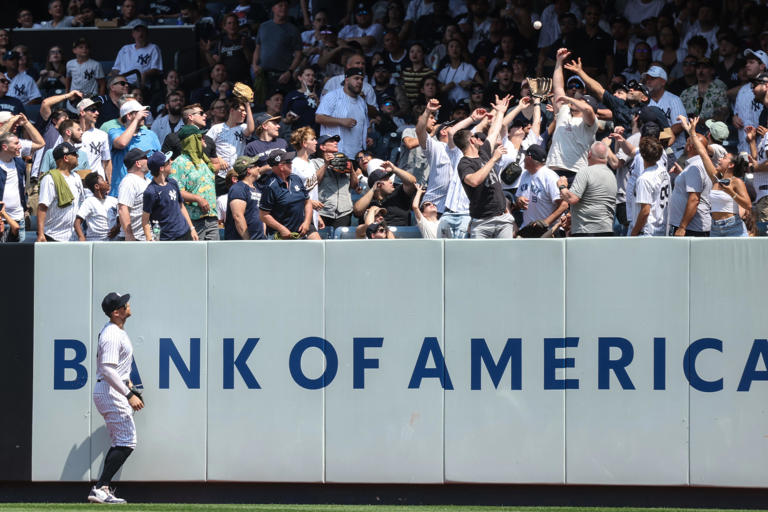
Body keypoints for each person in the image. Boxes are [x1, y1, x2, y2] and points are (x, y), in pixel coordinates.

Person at [89, 291, 143, 505]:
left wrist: (128, 385)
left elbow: (116, 369)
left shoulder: (116, 331)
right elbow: (107, 369)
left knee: (123, 440)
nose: (127, 305)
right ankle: (100, 488)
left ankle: (102, 488)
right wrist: (128, 394)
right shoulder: (112, 334)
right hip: (110, 391)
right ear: (116, 312)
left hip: (111, 389)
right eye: (123, 304)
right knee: (126, 441)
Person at [453, 94, 516, 238]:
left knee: (507, 252)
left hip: (502, 218)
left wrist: (500, 112)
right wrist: (493, 159)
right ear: (472, 140)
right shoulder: (464, 163)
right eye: (475, 136)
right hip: (482, 222)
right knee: (479, 254)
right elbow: (474, 181)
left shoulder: (484, 152)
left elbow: (494, 131)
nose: (479, 138)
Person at [682, 116, 751, 237]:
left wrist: (731, 192)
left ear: (731, 165)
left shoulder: (736, 182)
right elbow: (703, 154)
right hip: (715, 228)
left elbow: (748, 205)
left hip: (734, 227)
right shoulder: (716, 179)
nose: (719, 159)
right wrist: (692, 132)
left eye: (724, 158)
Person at [547, 48, 597, 180]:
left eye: (580, 100)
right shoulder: (564, 111)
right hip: (552, 169)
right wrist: (559, 62)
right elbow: (558, 87)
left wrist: (570, 99)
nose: (575, 100)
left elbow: (588, 110)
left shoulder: (590, 122)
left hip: (575, 172)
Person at [556, 141, 617, 236]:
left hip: (586, 232)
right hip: (607, 231)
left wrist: (562, 186)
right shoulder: (611, 175)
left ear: (589, 154)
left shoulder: (585, 171)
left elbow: (572, 199)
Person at [170, 125, 219, 240]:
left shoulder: (203, 160)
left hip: (211, 218)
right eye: (200, 137)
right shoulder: (179, 163)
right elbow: (175, 191)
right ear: (192, 141)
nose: (204, 139)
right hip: (193, 221)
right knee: (196, 251)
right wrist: (197, 199)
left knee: (215, 251)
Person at [259, 149, 321, 239]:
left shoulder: (296, 178)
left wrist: (307, 222)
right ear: (281, 166)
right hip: (281, 236)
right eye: (288, 162)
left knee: (317, 244)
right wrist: (281, 229)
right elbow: (264, 215)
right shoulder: (270, 186)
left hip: (301, 231)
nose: (291, 163)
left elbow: (307, 202)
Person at [108, 99, 161, 196]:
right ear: (128, 116)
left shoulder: (151, 135)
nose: (144, 115)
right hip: (122, 193)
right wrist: (136, 120)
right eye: (139, 113)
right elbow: (122, 143)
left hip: (148, 193)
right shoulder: (115, 132)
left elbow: (159, 161)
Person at [142, 151, 198, 241]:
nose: (171, 162)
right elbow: (145, 220)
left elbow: (181, 206)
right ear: (161, 168)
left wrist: (192, 228)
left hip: (185, 233)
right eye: (168, 162)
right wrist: (149, 239)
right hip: (167, 239)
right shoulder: (151, 192)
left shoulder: (173, 182)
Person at [316, 67, 370, 158]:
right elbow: (319, 118)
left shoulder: (362, 102)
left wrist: (366, 139)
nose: (360, 82)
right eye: (356, 78)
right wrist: (341, 121)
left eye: (361, 79)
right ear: (346, 80)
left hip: (357, 154)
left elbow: (364, 126)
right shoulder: (332, 96)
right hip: (335, 153)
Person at [516, 144, 568, 237]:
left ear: (529, 158)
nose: (523, 159)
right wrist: (519, 200)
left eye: (525, 156)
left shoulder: (549, 176)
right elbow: (518, 201)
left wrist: (545, 223)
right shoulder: (525, 175)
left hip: (548, 231)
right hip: (528, 230)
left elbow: (564, 205)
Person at [37, 142, 85, 242]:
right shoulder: (49, 178)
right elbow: (42, 207)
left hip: (73, 237)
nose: (77, 156)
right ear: (66, 158)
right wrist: (41, 233)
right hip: (53, 236)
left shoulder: (76, 177)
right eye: (74, 154)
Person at [667, 132, 712, 236]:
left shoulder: (694, 167)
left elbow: (694, 199)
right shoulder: (700, 164)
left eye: (687, 142)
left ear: (690, 147)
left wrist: (682, 227)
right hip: (693, 227)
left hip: (691, 229)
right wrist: (683, 174)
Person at [252, 0, 302, 93]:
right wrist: (254, 65)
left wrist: (290, 72)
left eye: (286, 6)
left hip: (283, 76)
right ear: (273, 8)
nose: (284, 8)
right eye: (280, 5)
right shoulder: (263, 27)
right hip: (263, 76)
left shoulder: (293, 30)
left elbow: (298, 53)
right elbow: (258, 47)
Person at [353, 161, 417, 225]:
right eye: (386, 179)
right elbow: (357, 210)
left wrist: (394, 169)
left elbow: (412, 182)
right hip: (377, 231)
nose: (390, 181)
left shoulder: (399, 192)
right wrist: (373, 189)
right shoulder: (368, 201)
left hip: (402, 231)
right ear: (378, 184)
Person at [630, 136, 670, 236]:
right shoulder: (664, 171)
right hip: (660, 228)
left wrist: (634, 233)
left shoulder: (644, 179)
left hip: (647, 232)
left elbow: (645, 211)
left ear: (642, 155)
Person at [315, 137, 358, 228]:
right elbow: (314, 182)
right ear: (322, 147)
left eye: (336, 141)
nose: (335, 143)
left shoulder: (343, 161)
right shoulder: (314, 162)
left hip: (344, 211)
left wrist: (352, 170)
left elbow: (355, 186)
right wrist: (326, 164)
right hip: (323, 211)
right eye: (331, 141)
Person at [0, 132, 35, 242]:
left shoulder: (19, 163)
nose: (19, 146)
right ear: (5, 147)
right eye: (16, 143)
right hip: (2, 221)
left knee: (19, 252)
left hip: (19, 219)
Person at [206, 97, 255, 174]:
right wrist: (217, 158)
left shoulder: (243, 127)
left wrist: (248, 106)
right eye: (242, 110)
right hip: (219, 173)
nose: (245, 113)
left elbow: (250, 129)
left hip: (237, 173)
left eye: (245, 111)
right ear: (232, 110)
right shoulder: (216, 128)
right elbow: (206, 146)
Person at [225, 155, 267, 240]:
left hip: (259, 241)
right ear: (248, 170)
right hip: (241, 243)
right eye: (255, 166)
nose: (258, 168)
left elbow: (261, 215)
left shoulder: (256, 189)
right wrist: (247, 241)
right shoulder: (238, 188)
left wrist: (263, 236)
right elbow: (238, 216)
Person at [111, 21, 163, 88]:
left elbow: (156, 69)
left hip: (139, 83)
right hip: (122, 82)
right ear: (133, 34)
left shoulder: (153, 48)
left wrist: (145, 74)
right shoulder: (125, 48)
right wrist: (116, 78)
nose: (140, 33)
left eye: (143, 31)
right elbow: (116, 69)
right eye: (138, 31)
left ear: (147, 33)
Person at [117, 148, 151, 240]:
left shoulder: (148, 181)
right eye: (145, 157)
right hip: (135, 238)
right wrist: (129, 235)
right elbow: (122, 209)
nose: (148, 159)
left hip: (147, 237)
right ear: (138, 163)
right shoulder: (129, 181)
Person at [75, 172, 119, 241]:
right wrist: (81, 237)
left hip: (113, 240)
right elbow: (77, 222)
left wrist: (117, 228)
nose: (106, 182)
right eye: (103, 180)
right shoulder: (89, 202)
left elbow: (120, 217)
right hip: (95, 240)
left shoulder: (114, 200)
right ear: (96, 186)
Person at [77, 98, 112, 182]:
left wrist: (111, 184)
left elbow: (107, 162)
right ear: (82, 112)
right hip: (77, 184)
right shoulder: (71, 134)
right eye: (93, 110)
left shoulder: (102, 135)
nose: (97, 113)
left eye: (97, 110)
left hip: (98, 183)